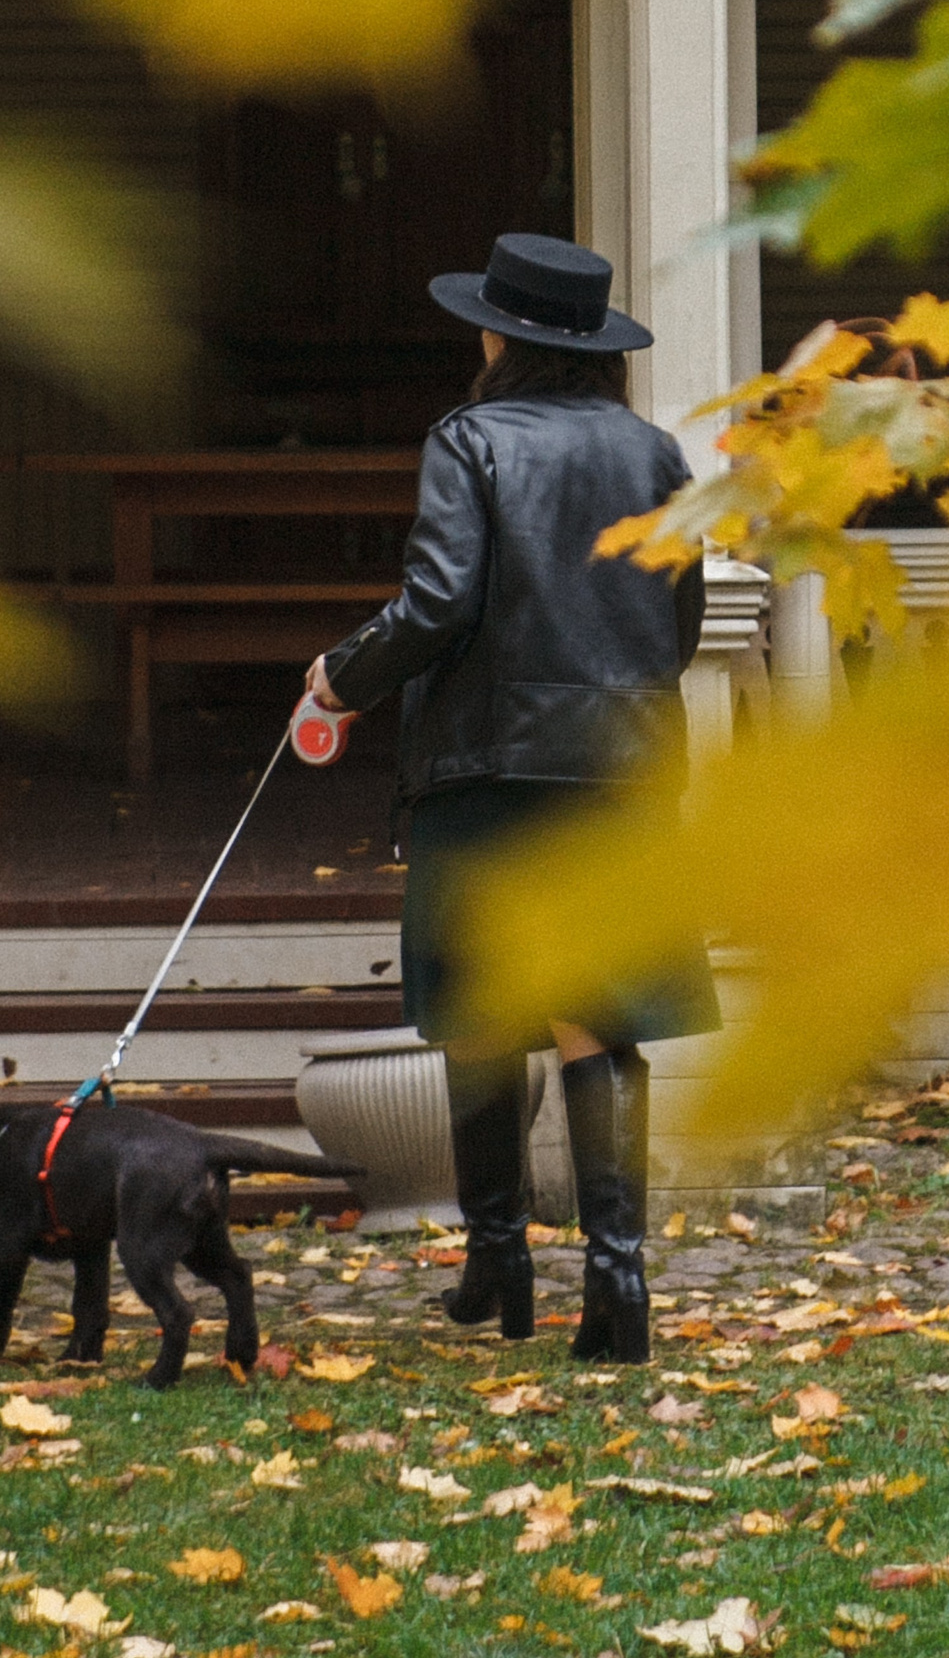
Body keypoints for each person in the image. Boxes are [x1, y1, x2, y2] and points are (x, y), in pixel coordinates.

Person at [305, 232, 718, 1365]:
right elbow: (676, 625)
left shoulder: (468, 439)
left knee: (482, 1008)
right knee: (599, 1011)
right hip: (622, 768)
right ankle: (618, 1285)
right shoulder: (654, 452)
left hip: (487, 769)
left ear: (504, 338)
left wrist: (342, 674)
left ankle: (497, 1259)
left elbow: (438, 603)